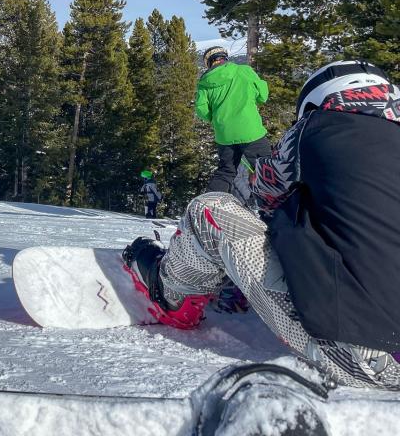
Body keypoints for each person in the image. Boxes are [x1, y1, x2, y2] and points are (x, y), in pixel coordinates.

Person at [122, 60, 400, 390]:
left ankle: (171, 296)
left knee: (211, 210)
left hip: (366, 356)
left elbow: (267, 196)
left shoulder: (312, 130)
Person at [195, 45, 271, 193]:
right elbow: (263, 95)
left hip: (224, 135)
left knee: (226, 171)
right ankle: (277, 207)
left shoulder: (204, 83)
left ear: (209, 62)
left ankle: (211, 206)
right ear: (225, 57)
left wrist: (217, 118)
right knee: (268, 169)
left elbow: (201, 110)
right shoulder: (243, 71)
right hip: (251, 130)